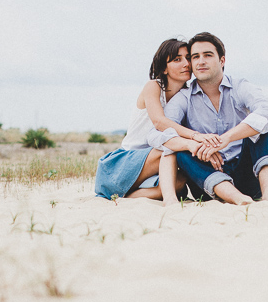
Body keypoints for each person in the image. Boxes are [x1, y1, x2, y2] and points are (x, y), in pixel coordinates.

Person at [94, 38, 222, 206]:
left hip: (157, 164)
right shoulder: (153, 86)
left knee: (181, 180)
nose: (186, 64)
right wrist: (195, 137)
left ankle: (125, 198)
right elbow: (159, 123)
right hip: (124, 165)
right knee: (174, 146)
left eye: (187, 57)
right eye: (177, 59)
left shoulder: (187, 96)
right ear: (164, 68)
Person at [156, 32, 268, 205]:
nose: (201, 61)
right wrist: (194, 143)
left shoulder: (239, 87)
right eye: (195, 57)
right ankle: (237, 199)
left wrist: (227, 138)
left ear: (222, 61)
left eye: (208, 55)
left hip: (247, 176)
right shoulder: (183, 98)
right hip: (209, 182)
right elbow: (158, 134)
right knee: (181, 149)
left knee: (262, 127)